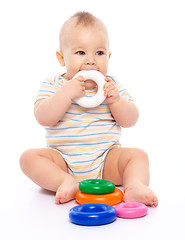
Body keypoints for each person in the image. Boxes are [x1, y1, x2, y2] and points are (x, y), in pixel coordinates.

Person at [20, 11, 158, 207]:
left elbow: (131, 120)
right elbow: (43, 117)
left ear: (108, 56)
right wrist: (65, 94)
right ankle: (64, 181)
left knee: (138, 155)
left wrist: (116, 101)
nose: (91, 60)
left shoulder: (112, 85)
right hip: (63, 162)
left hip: (106, 159)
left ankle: (134, 185)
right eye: (80, 52)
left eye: (99, 53)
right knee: (28, 158)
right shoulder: (54, 84)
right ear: (62, 58)